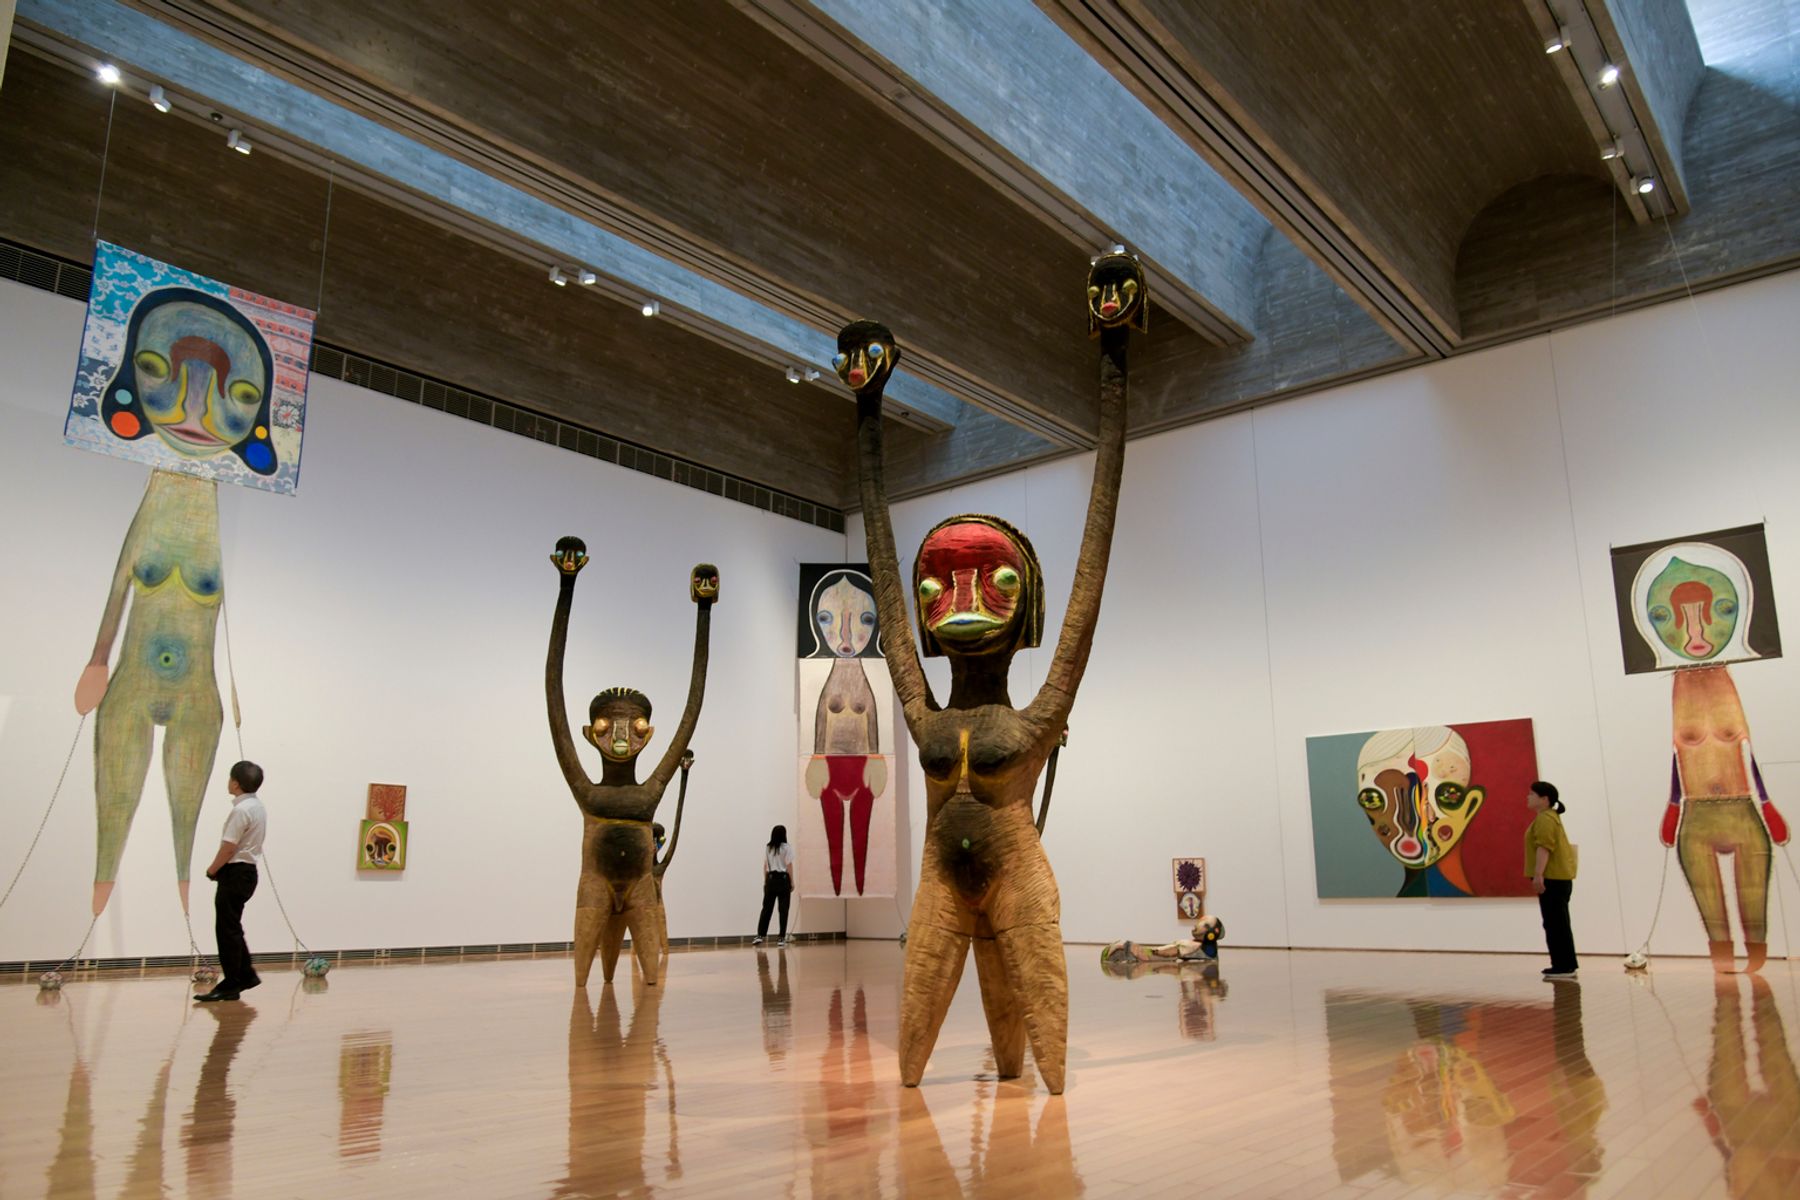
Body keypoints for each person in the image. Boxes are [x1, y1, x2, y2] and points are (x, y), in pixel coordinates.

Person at [194, 760, 267, 1002]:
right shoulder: (257, 807)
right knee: (232, 928)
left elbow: (229, 847)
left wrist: (212, 869)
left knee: (227, 930)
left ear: (235, 783)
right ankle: (244, 977)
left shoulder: (241, 810)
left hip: (235, 872)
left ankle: (234, 981)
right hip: (247, 873)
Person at [1524, 780, 1579, 979]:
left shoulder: (1545, 819)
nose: (1527, 797)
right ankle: (1564, 963)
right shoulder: (1549, 817)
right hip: (1557, 878)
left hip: (1552, 878)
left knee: (1555, 922)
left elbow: (1544, 847)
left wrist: (1539, 874)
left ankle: (1562, 965)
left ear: (1544, 799)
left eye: (1531, 794)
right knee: (1557, 922)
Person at [755, 825, 795, 946]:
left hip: (771, 879)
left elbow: (765, 866)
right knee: (783, 910)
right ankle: (781, 938)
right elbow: (789, 865)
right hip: (783, 880)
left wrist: (765, 881)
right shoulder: (787, 848)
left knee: (766, 909)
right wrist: (792, 882)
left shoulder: (768, 847)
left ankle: (760, 936)